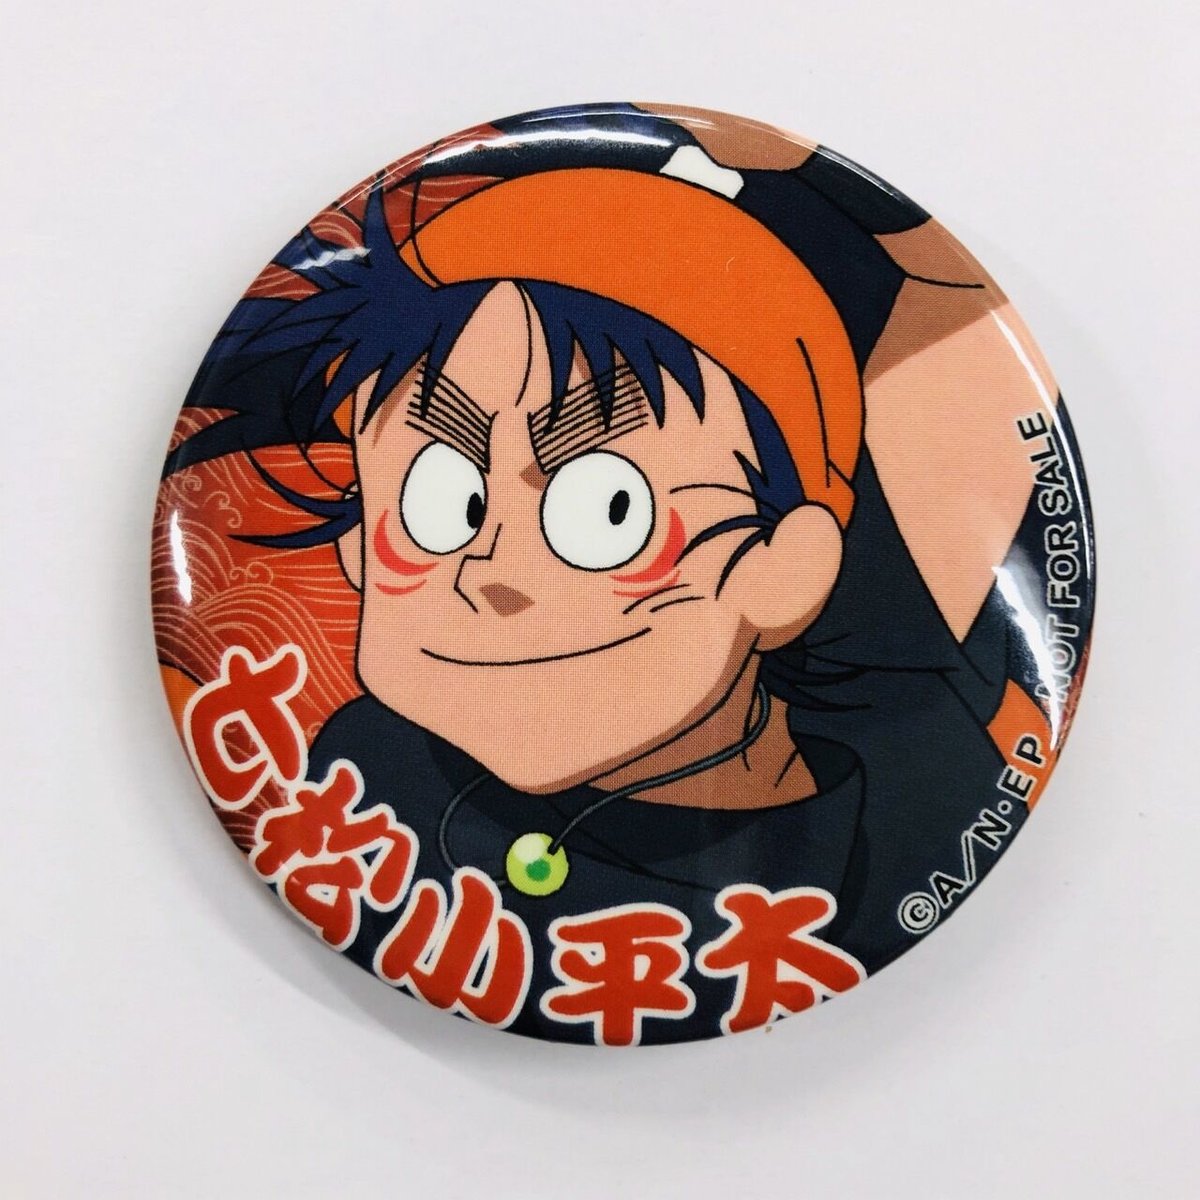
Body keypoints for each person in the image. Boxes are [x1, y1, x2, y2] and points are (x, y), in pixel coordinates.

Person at [163, 105, 1086, 1042]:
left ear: (781, 569)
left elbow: (964, 364)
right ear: (360, 548)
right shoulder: (366, 763)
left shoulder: (899, 817)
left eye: (606, 512)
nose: (490, 573)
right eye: (442, 502)